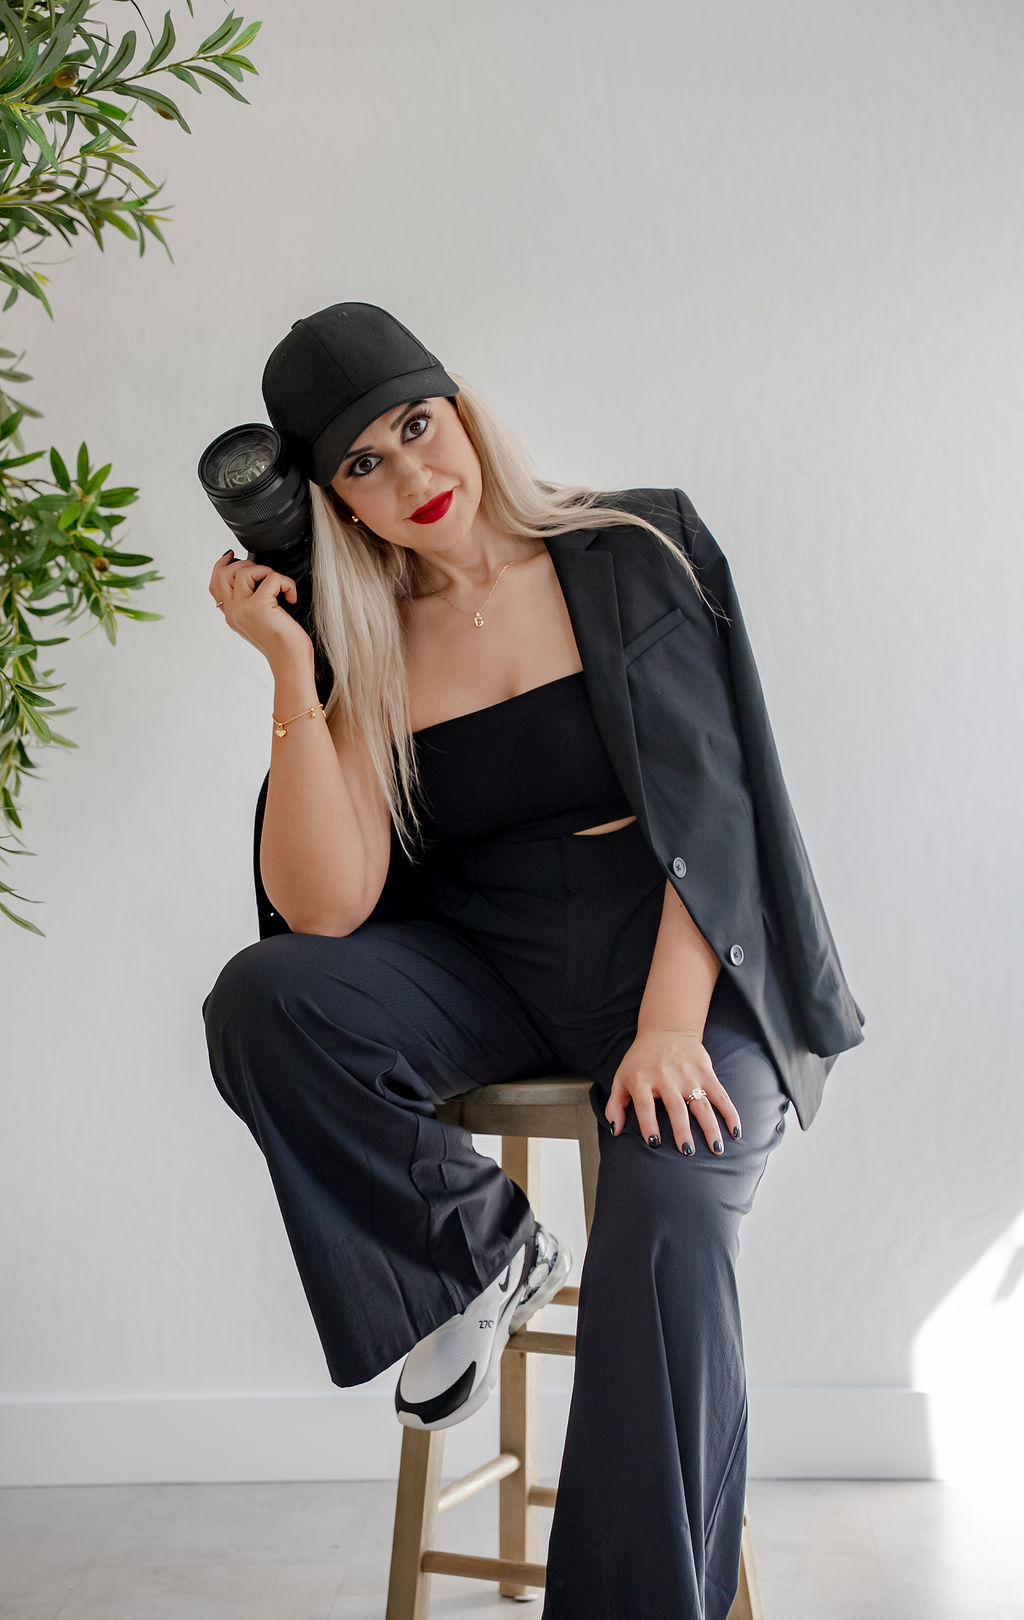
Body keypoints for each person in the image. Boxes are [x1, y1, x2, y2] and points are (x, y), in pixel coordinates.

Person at [201, 301, 865, 1620]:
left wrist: (673, 1024)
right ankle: (477, 1256)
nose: (411, 480)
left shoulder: (637, 544)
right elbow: (324, 916)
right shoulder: (360, 631)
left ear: (459, 408)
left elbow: (715, 804)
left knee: (666, 1225)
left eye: (414, 428)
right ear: (331, 501)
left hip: (680, 949)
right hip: (486, 964)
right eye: (362, 468)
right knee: (261, 997)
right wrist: (292, 670)